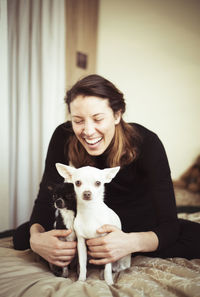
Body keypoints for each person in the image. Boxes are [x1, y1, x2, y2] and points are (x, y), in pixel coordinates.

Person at [13, 74, 200, 270]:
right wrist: (37, 239)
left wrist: (130, 243)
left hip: (139, 226)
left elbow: (169, 224)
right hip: (87, 224)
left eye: (98, 119)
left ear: (117, 115)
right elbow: (46, 198)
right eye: (78, 121)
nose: (88, 131)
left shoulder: (147, 142)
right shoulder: (63, 136)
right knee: (22, 236)